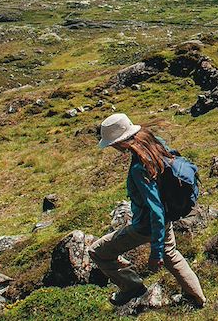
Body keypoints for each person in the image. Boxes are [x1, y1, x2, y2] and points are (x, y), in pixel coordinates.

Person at [88, 113, 206, 307]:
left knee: (98, 252)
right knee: (173, 257)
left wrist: (156, 252)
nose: (112, 148)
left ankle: (131, 287)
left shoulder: (138, 169)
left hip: (146, 226)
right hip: (166, 217)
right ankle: (197, 298)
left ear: (119, 142)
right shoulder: (154, 142)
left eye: (112, 144)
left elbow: (155, 209)